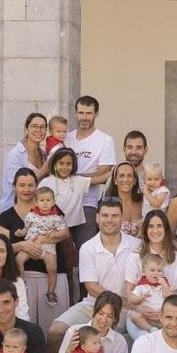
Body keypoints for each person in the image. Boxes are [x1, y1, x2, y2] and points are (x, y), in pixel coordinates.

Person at [47, 198, 138, 353]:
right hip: (94, 305)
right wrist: (122, 302)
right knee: (56, 330)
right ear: (97, 218)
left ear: (121, 218)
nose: (109, 220)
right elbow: (91, 287)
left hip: (128, 308)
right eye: (105, 215)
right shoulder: (88, 248)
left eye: (115, 216)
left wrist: (131, 304)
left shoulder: (136, 245)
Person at [0, 168, 72, 330]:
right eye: (21, 185)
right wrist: (23, 245)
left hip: (53, 274)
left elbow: (64, 234)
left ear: (36, 187)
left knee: (53, 329)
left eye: (30, 185)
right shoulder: (5, 217)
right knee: (25, 328)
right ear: (14, 186)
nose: (26, 189)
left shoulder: (54, 210)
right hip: (24, 279)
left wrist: (41, 240)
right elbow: (1, 248)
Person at [122, 210, 177, 338]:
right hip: (140, 315)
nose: (155, 230)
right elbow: (129, 293)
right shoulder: (134, 257)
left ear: (166, 229)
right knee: (145, 339)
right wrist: (139, 309)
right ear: (145, 230)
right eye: (151, 226)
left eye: (159, 226)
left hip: (168, 316)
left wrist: (167, 312)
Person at [65, 95, 117, 246]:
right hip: (63, 204)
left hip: (87, 205)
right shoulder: (66, 139)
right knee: (63, 256)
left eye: (88, 113)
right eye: (81, 113)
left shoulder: (105, 140)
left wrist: (71, 178)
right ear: (75, 113)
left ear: (96, 114)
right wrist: (86, 178)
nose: (84, 117)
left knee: (85, 250)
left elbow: (104, 175)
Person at [0, 113, 49, 209]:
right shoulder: (15, 155)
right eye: (34, 126)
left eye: (42, 127)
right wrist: (43, 171)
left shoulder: (43, 153)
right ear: (26, 129)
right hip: (13, 211)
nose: (38, 130)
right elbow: (18, 186)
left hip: (36, 211)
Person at [0, 233, 30, 322]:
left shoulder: (16, 282)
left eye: (1, 251)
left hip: (9, 333)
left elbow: (23, 317)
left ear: (8, 255)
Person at [103, 161, 144, 238]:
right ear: (115, 180)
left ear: (135, 180)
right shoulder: (107, 205)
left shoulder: (144, 202)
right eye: (121, 175)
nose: (125, 179)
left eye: (129, 175)